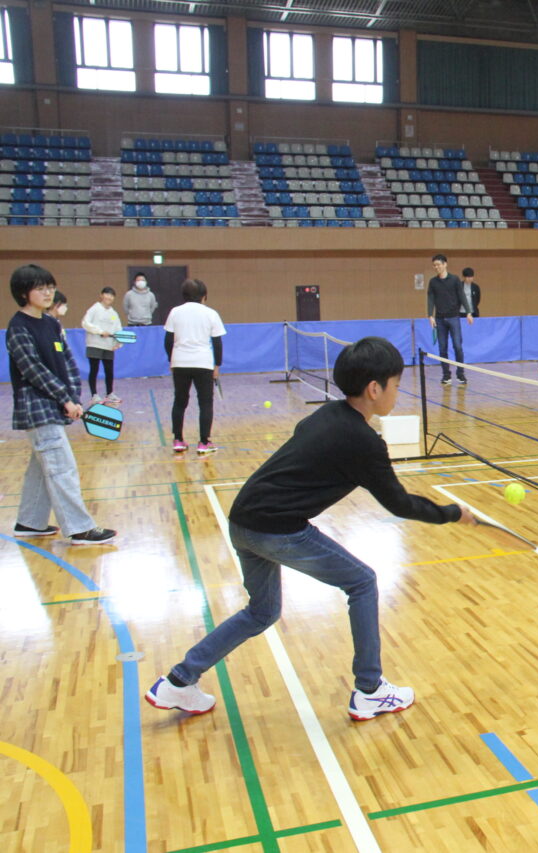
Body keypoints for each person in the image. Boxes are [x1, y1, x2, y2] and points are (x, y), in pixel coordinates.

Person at [145, 337, 477, 720]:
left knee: (261, 612)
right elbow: (399, 504)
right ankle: (370, 689)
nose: (398, 392)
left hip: (243, 520)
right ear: (375, 389)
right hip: (277, 529)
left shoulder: (327, 414)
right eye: (397, 385)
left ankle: (179, 681)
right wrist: (454, 513)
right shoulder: (364, 442)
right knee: (362, 581)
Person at [7, 264, 116, 545]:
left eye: (50, 287)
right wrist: (64, 398)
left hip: (56, 404)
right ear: (23, 293)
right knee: (61, 467)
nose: (48, 292)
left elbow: (66, 361)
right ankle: (80, 528)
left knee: (42, 467)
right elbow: (33, 370)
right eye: (40, 288)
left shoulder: (51, 323)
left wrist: (73, 397)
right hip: (36, 407)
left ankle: (29, 522)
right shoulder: (18, 328)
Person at [165, 278, 225, 454]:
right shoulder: (211, 313)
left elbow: (168, 340)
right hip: (203, 363)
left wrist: (172, 359)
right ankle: (204, 442)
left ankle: (178, 439)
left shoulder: (175, 312)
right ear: (204, 296)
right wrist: (217, 365)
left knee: (180, 401)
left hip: (180, 362)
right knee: (205, 403)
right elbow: (217, 342)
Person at [427, 253, 472, 386]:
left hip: (454, 317)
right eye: (434, 265)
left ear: (445, 264)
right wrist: (430, 315)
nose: (436, 267)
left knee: (458, 346)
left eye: (439, 264)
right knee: (442, 348)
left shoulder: (454, 280)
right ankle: (446, 375)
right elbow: (430, 299)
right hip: (440, 319)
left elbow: (462, 295)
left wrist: (468, 311)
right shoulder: (433, 282)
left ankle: (460, 374)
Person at [82, 286, 123, 404]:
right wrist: (99, 331)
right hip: (94, 344)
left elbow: (118, 329)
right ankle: (94, 395)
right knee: (94, 369)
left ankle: (109, 393)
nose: (109, 297)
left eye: (111, 295)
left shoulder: (113, 313)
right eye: (107, 294)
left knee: (109, 370)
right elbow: (85, 323)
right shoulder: (94, 309)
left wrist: (118, 343)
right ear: (101, 295)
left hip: (108, 346)